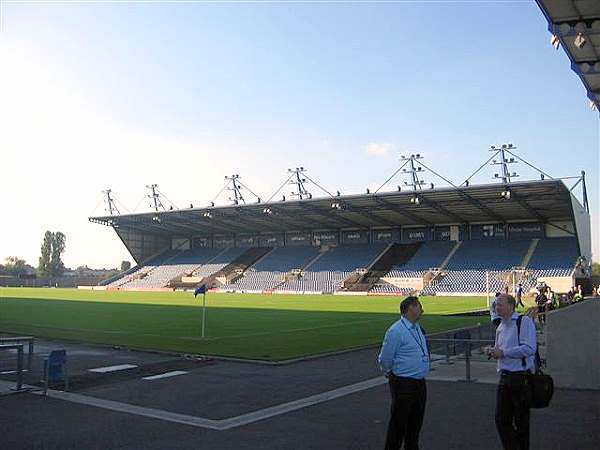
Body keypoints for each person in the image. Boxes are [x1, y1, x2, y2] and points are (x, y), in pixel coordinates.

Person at [486, 294, 537, 450]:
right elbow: (501, 350)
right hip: (505, 377)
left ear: (511, 306)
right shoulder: (501, 325)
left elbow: (529, 348)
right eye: (496, 305)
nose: (496, 307)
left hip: (520, 378)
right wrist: (493, 352)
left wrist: (503, 353)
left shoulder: (523, 322)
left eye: (499, 304)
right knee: (501, 420)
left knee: (521, 421)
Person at [378, 296, 430, 450]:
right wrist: (388, 371)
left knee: (415, 423)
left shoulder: (417, 328)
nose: (421, 309)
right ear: (411, 308)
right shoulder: (396, 330)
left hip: (419, 383)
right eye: (419, 306)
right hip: (403, 383)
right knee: (399, 424)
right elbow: (386, 357)